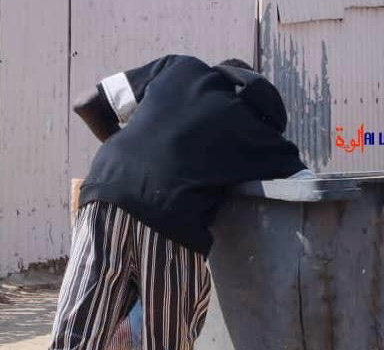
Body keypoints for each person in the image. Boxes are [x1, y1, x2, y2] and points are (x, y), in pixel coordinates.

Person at [49, 55, 313, 350]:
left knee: (76, 337)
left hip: (103, 194)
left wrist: (133, 162)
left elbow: (85, 103)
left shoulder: (177, 68)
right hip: (172, 219)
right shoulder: (259, 131)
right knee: (165, 340)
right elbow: (311, 186)